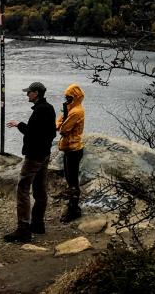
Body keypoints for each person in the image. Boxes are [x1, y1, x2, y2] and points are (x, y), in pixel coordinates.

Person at [3, 81, 56, 242]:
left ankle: (23, 228)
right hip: (45, 154)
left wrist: (19, 124)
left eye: (29, 92)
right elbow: (52, 133)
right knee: (40, 188)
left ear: (36, 93)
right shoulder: (50, 108)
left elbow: (31, 133)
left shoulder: (40, 110)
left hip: (34, 156)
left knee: (23, 188)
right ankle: (38, 224)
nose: (27, 95)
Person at [56, 83, 86, 222]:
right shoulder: (71, 109)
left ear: (75, 97)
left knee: (72, 180)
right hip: (69, 148)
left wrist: (65, 116)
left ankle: (74, 208)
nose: (66, 100)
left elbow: (63, 129)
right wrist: (64, 114)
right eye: (66, 97)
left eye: (69, 97)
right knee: (69, 178)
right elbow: (58, 125)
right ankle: (72, 205)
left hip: (74, 148)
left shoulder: (76, 111)